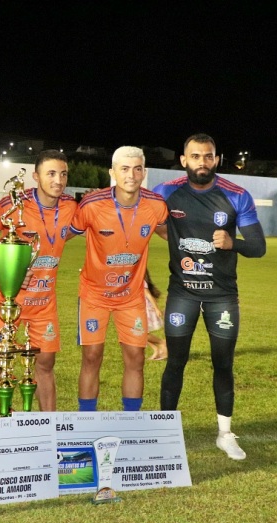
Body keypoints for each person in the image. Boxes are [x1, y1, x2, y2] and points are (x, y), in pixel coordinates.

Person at [153, 133, 266, 461]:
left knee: (223, 363)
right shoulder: (165, 192)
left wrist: (233, 243)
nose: (202, 162)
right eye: (195, 156)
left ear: (216, 159)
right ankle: (165, 434)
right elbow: (143, 221)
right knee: (176, 362)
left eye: (208, 156)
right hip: (182, 292)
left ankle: (225, 434)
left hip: (222, 296)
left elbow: (258, 247)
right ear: (183, 160)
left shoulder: (236, 195)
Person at [70, 146, 168, 411]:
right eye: (124, 169)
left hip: (131, 296)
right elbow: (62, 235)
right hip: (94, 295)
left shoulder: (156, 205)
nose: (131, 175)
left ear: (144, 173)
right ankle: (86, 419)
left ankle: (132, 420)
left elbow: (172, 235)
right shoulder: (92, 204)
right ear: (112, 172)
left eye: (137, 169)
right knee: (92, 357)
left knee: (135, 358)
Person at [0, 150, 77, 411]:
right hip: (9, 300)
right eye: (51, 173)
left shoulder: (70, 206)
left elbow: (70, 232)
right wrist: (10, 269)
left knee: (46, 364)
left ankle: (48, 425)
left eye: (63, 174)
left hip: (44, 302)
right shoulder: (12, 205)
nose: (58, 180)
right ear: (36, 176)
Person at [144, 268, 167, 361]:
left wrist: (157, 309)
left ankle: (162, 342)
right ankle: (156, 349)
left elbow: (148, 295)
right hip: (136, 309)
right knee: (138, 333)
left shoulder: (140, 282)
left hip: (144, 310)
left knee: (140, 333)